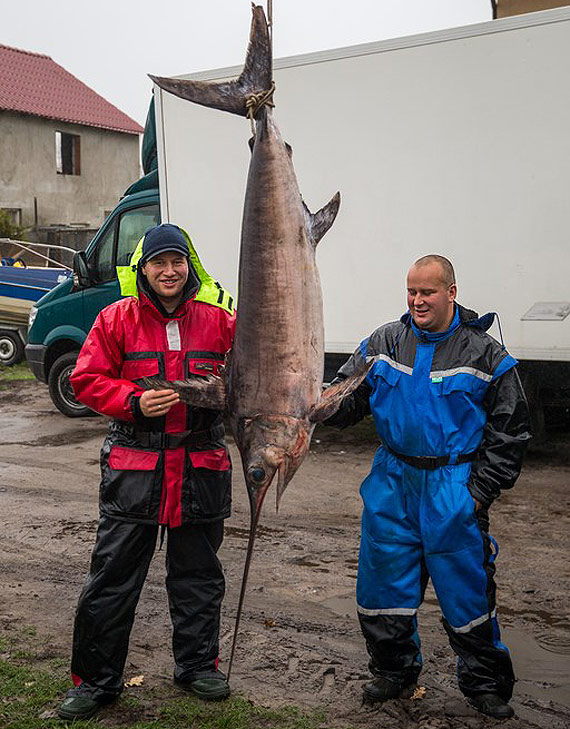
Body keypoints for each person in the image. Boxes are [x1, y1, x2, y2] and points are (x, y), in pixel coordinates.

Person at [325, 254, 531, 720]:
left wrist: (478, 492)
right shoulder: (384, 342)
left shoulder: (485, 353)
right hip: (392, 481)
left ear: (451, 293)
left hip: (452, 486)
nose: (417, 300)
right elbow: (345, 398)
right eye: (411, 291)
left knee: (468, 592)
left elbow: (511, 430)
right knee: (382, 586)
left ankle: (483, 684)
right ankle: (394, 671)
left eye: (428, 292)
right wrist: (310, 402)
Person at [57, 224, 236, 721]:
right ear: (144, 268)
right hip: (135, 467)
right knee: (112, 578)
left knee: (198, 577)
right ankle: (95, 681)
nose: (169, 271)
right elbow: (84, 378)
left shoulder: (221, 322)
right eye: (159, 263)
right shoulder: (115, 318)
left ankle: (198, 666)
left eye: (177, 261)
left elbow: (251, 373)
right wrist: (132, 400)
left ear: (189, 266)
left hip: (200, 466)